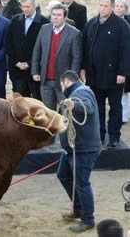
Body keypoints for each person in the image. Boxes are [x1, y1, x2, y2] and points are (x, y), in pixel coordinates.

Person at [81, 0, 130, 148]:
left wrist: (123, 73)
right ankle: (100, 135)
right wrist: (83, 69)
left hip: (114, 75)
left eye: (106, 6)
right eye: (100, 5)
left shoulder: (122, 25)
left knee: (115, 107)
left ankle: (114, 137)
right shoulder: (91, 23)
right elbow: (85, 48)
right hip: (94, 74)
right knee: (98, 107)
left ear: (113, 7)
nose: (102, 8)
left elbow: (126, 50)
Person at [58, 70, 101, 233]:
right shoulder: (77, 92)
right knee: (63, 175)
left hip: (83, 150)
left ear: (66, 82)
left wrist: (73, 105)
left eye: (61, 84)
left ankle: (88, 219)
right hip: (73, 149)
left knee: (82, 183)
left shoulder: (82, 92)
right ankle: (78, 209)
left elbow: (87, 107)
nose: (61, 87)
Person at [31, 3, 82, 111]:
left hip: (64, 81)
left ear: (65, 17)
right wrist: (35, 71)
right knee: (48, 112)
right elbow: (37, 51)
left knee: (67, 112)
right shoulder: (44, 29)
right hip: (45, 80)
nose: (55, 17)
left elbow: (76, 58)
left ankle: (67, 129)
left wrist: (71, 79)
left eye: (59, 15)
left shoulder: (74, 33)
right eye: (53, 14)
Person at [6, 0, 49, 100]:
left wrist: (30, 64)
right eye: (23, 6)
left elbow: (45, 48)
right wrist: (16, 62)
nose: (25, 9)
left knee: (37, 102)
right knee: (21, 103)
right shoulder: (15, 20)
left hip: (35, 72)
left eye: (28, 7)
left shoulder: (44, 23)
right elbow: (8, 43)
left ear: (34, 6)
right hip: (18, 70)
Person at [114, 0, 130, 124]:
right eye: (117, 6)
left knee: (124, 90)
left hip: (125, 60)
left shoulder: (128, 22)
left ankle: (123, 117)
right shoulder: (108, 21)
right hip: (111, 61)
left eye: (122, 7)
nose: (119, 8)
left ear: (126, 9)